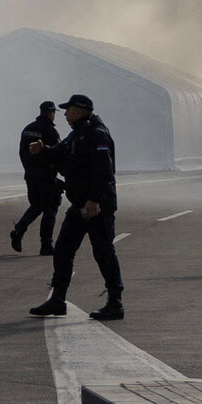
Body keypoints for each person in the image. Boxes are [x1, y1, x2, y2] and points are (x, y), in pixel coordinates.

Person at [27, 93, 124, 321]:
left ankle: (115, 303)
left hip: (97, 205)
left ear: (79, 111)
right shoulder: (77, 133)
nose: (65, 114)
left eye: (68, 110)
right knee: (63, 249)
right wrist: (43, 149)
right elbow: (60, 153)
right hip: (80, 204)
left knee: (103, 251)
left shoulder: (96, 134)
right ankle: (57, 300)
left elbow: (103, 171)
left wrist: (94, 200)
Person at [10, 101, 63, 255]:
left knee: (37, 206)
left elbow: (22, 153)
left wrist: (29, 170)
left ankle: (19, 231)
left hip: (31, 175)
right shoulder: (50, 131)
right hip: (46, 176)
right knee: (50, 208)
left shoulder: (27, 129)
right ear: (51, 113)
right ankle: (46, 245)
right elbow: (57, 153)